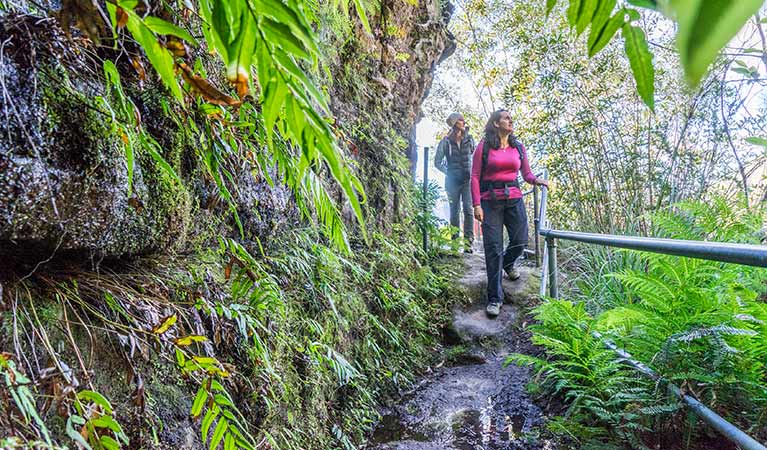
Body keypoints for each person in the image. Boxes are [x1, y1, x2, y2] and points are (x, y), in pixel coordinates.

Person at [471, 109, 549, 317]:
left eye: (510, 118)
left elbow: (526, 174)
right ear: (496, 123)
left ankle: (508, 262)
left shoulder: (518, 147)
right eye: (506, 118)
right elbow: (475, 176)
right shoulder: (483, 147)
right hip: (490, 201)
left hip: (514, 198)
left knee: (521, 240)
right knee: (493, 248)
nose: (510, 120)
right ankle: (495, 298)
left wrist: (536, 181)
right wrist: (476, 204)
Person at [434, 112, 475, 252]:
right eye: (461, 120)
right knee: (454, 212)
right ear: (455, 123)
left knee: (469, 210)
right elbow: (437, 162)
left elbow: (473, 154)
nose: (464, 122)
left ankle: (468, 244)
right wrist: (449, 172)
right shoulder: (445, 142)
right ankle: (455, 243)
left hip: (467, 180)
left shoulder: (469, 138)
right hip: (452, 182)